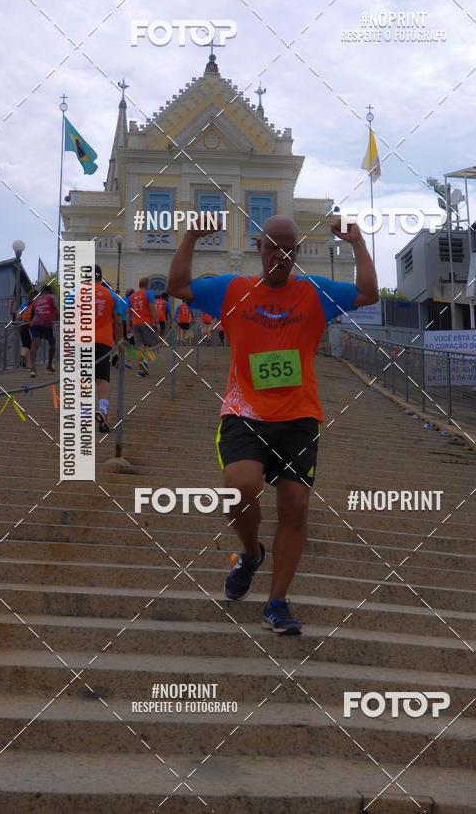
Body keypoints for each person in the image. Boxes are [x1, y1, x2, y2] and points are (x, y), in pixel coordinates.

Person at [168, 214, 378, 635]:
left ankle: (277, 602)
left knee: (295, 506)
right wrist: (190, 236)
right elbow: (177, 287)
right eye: (271, 247)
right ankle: (250, 553)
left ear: (296, 254)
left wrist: (356, 243)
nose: (279, 255)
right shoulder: (234, 290)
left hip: (299, 417)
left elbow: (368, 294)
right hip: (245, 413)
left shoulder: (315, 293)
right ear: (258, 249)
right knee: (239, 487)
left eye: (288, 249)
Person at [94, 265, 125, 433]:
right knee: (102, 379)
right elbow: (118, 322)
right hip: (103, 342)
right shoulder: (112, 295)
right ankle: (103, 411)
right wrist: (119, 342)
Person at [129, 278, 159, 377]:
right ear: (147, 285)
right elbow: (152, 307)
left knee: (140, 346)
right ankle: (145, 362)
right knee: (151, 345)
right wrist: (157, 322)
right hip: (146, 322)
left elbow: (129, 311)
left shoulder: (132, 296)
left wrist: (129, 325)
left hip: (135, 323)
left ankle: (142, 370)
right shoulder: (149, 293)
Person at [29, 283, 59, 377]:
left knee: (34, 345)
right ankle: (49, 365)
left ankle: (32, 370)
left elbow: (32, 314)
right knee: (52, 344)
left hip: (35, 324)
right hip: (47, 324)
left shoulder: (36, 300)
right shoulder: (52, 297)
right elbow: (56, 308)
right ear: (50, 290)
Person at [17, 289, 37, 368]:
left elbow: (18, 317)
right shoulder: (35, 304)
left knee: (25, 344)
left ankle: (25, 360)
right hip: (30, 326)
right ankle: (27, 362)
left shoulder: (24, 304)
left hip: (22, 326)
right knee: (31, 345)